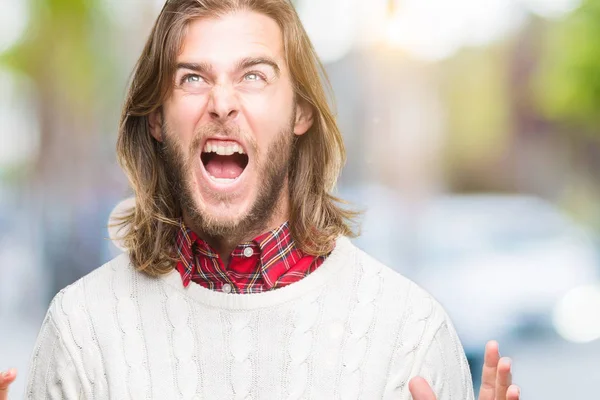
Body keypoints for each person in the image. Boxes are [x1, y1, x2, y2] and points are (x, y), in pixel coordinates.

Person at [3, 0, 522, 398]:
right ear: (156, 119)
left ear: (300, 113)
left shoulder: (409, 333)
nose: (222, 103)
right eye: (193, 78)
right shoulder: (82, 331)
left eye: (253, 75)